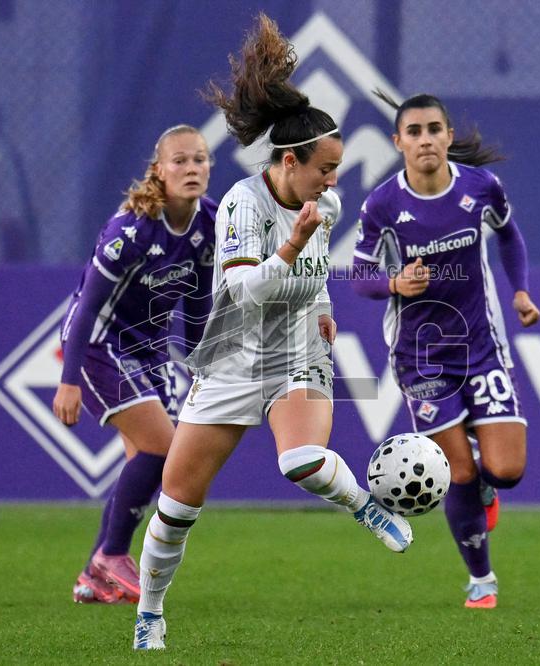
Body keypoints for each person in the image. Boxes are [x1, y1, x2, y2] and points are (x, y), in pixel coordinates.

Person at [132, 14, 413, 650]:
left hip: (297, 349)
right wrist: (292, 243)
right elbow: (239, 289)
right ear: (291, 161)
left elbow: (311, 275)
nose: (334, 181)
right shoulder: (240, 204)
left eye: (338, 169)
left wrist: (320, 306)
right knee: (175, 509)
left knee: (301, 461)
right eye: (326, 168)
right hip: (232, 353)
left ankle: (366, 504)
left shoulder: (327, 204)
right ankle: (150, 611)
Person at [351, 91, 540, 610]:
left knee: (506, 471)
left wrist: (520, 290)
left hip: (482, 345)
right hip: (422, 357)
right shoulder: (383, 204)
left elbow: (509, 235)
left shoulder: (480, 187)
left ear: (448, 136)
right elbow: (359, 275)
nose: (425, 139)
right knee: (455, 471)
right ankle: (481, 580)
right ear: (398, 143)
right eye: (414, 131)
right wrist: (394, 283)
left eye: (434, 128)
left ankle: (487, 486)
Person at [52, 124, 217, 605]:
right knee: (164, 449)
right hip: (103, 345)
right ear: (159, 171)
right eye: (180, 161)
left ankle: (93, 574)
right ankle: (112, 555)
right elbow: (86, 309)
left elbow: (198, 304)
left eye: (200, 159)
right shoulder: (132, 230)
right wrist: (68, 381)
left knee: (150, 469)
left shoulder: (208, 223)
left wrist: (202, 370)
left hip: (150, 351)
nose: (191, 168)